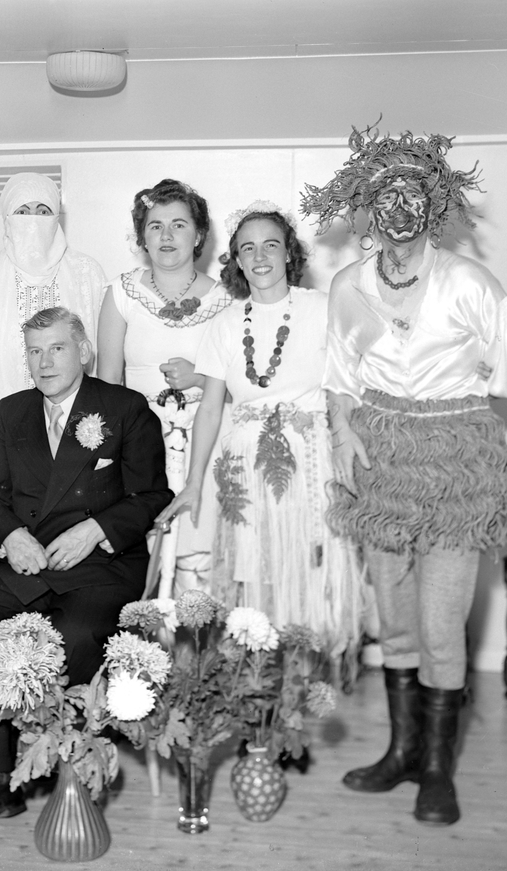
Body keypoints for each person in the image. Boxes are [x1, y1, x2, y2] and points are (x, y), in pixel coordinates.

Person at [301, 126, 507, 826]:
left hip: (455, 462)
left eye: (413, 195)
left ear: (435, 204)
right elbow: (338, 374)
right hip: (380, 458)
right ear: (368, 205)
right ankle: (403, 752)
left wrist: (469, 387)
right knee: (395, 619)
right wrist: (343, 429)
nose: (399, 209)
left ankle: (439, 770)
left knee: (443, 624)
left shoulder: (469, 282)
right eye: (386, 196)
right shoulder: (350, 285)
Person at [0, 306, 172, 837]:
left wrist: (96, 529)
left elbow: (152, 495)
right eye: (34, 351)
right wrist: (10, 536)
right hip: (21, 561)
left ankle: (64, 757)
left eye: (57, 348)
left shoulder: (125, 408)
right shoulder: (14, 411)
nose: (44, 362)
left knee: (76, 633)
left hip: (98, 565)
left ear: (84, 351)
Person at [160, 202, 366, 670]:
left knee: (309, 570)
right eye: (247, 248)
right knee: (255, 574)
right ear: (236, 259)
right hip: (246, 466)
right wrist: (193, 483)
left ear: (289, 253)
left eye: (271, 245)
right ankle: (262, 681)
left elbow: (345, 387)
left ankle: (305, 679)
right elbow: (210, 409)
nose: (259, 256)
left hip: (310, 460)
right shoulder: (225, 323)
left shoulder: (322, 308)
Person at [97, 179, 233, 596]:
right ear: (142, 237)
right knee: (143, 552)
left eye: (179, 224)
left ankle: (197, 630)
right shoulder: (121, 293)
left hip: (208, 437)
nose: (167, 235)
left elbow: (244, 388)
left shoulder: (228, 299)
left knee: (199, 555)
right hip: (141, 440)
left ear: (199, 235)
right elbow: (107, 383)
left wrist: (200, 378)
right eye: (155, 226)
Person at [0, 172, 107, 431]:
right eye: (22, 212)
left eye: (43, 211)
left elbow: (104, 360)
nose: (33, 221)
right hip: (3, 429)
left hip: (83, 427)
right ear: (7, 218)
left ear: (56, 217)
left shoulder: (87, 273)